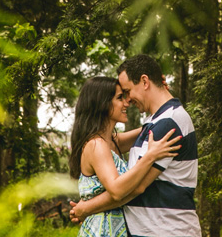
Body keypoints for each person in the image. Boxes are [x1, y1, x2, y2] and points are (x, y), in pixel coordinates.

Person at [71, 55, 201, 237]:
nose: (127, 101)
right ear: (103, 104)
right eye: (120, 96)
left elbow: (136, 187)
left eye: (127, 91)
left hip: (167, 231)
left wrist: (86, 208)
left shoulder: (166, 124)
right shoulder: (154, 124)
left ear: (144, 81)